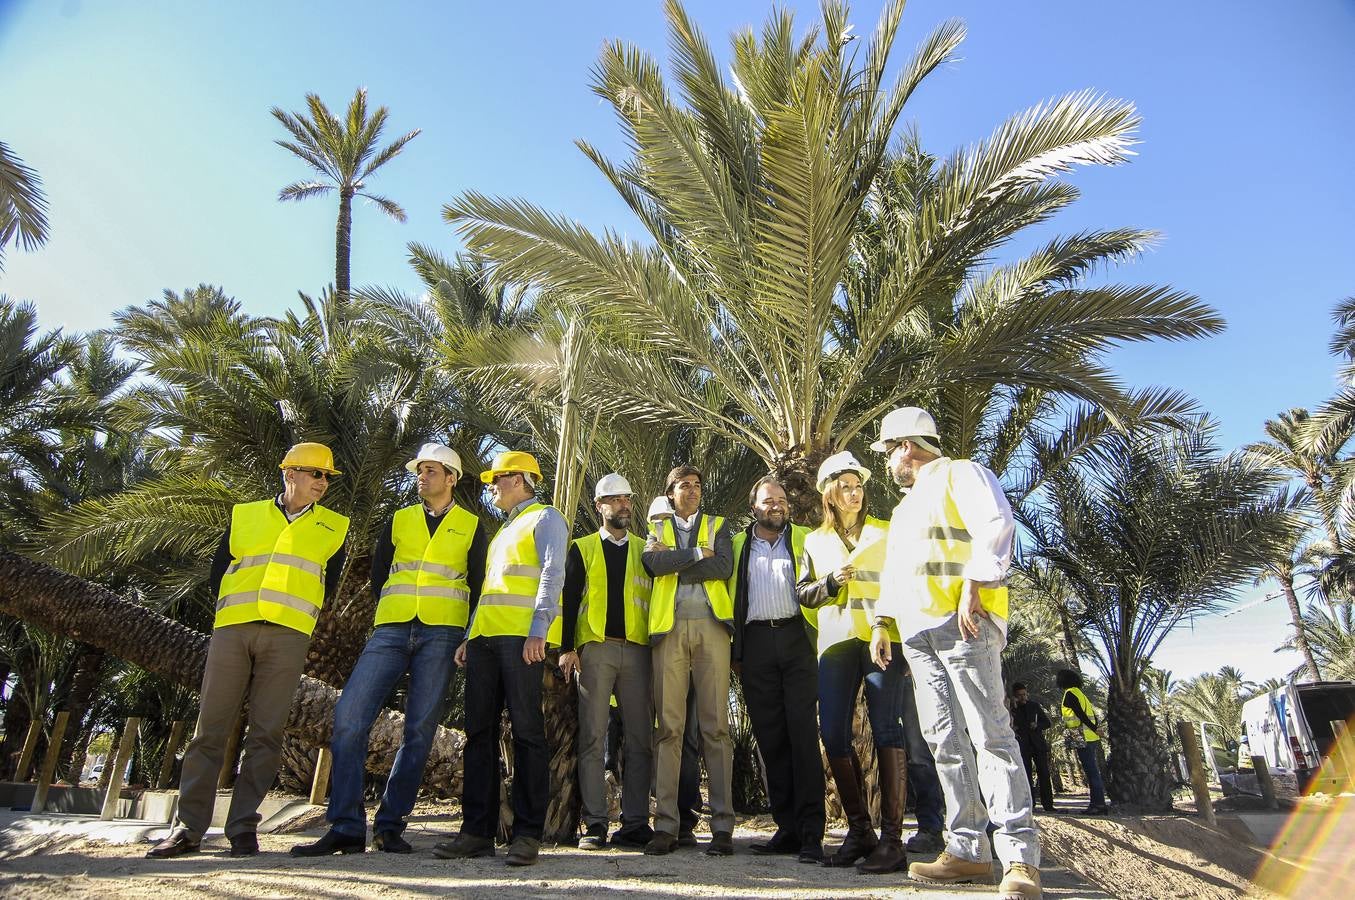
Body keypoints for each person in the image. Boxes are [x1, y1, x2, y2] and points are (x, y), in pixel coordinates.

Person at [868, 408, 1042, 899]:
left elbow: (996, 525)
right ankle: (967, 850)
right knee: (944, 739)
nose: (888, 464)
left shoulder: (961, 473)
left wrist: (975, 584)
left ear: (905, 445)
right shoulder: (904, 510)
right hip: (917, 631)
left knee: (990, 734)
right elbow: (897, 570)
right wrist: (883, 621)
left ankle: (1019, 859)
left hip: (963, 621)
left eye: (888, 453)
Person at [147, 442, 349, 859]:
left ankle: (242, 828)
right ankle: (188, 829)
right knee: (210, 731)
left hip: (289, 635)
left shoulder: (336, 526)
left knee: (266, 733)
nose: (322, 482)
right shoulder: (245, 514)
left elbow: (328, 583)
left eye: (327, 477)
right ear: (289, 473)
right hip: (233, 631)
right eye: (315, 473)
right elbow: (218, 572)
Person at [291, 443, 486, 857]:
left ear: (451, 479)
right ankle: (345, 825)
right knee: (349, 717)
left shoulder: (472, 526)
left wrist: (468, 634)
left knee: (419, 731)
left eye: (431, 471)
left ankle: (390, 827)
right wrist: (391, 612)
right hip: (391, 630)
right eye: (421, 471)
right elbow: (381, 574)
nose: (422, 477)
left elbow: (480, 583)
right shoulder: (398, 520)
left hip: (443, 633)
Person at [797, 451, 944, 873]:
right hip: (837, 642)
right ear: (829, 494)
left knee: (885, 728)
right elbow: (803, 593)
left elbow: (903, 579)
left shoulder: (886, 530)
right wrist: (830, 582)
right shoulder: (814, 541)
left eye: (858, 486)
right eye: (846, 487)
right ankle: (861, 830)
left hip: (883, 638)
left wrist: (889, 623)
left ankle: (893, 842)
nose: (855, 493)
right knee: (833, 735)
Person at [433, 451, 565, 867]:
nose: (492, 487)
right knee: (478, 735)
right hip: (487, 641)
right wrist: (470, 636)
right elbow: (491, 587)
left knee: (528, 734)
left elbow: (551, 573)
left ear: (520, 480)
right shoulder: (505, 530)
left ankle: (527, 835)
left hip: (520, 640)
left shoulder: (545, 519)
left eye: (498, 479)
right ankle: (476, 832)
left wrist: (538, 631)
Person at [729, 477, 825, 863]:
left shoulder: (806, 538)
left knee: (803, 738)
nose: (778, 505)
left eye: (782, 500)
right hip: (755, 646)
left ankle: (811, 834)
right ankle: (786, 828)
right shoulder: (736, 545)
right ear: (754, 506)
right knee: (771, 741)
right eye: (770, 500)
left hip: (797, 641)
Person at [641, 465, 736, 856]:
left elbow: (724, 566)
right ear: (670, 492)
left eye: (698, 485)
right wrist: (697, 554)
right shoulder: (656, 530)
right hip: (670, 631)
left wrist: (678, 563)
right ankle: (665, 826)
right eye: (684, 486)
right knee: (669, 730)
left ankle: (723, 828)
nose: (693, 491)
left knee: (716, 729)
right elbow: (653, 564)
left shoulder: (719, 524)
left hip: (712, 629)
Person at [559, 474, 655, 851]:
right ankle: (595, 825)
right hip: (595, 651)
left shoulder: (646, 550)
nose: (623, 505)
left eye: (627, 499)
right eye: (614, 500)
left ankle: (634, 823)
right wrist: (567, 647)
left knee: (640, 739)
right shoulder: (581, 549)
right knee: (592, 738)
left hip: (637, 651)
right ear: (599, 506)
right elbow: (568, 599)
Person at [1055, 669, 1108, 815]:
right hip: (1090, 736)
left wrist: (1094, 729)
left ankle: (1098, 804)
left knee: (1091, 771)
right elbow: (1090, 714)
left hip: (1081, 735)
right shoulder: (1080, 693)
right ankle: (1097, 803)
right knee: (1092, 770)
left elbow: (1080, 714)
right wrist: (1095, 729)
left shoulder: (1070, 694)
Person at [1010, 683, 1056, 814]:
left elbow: (1047, 723)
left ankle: (1048, 804)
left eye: (1024, 694)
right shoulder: (1011, 709)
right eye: (1019, 695)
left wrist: (1037, 725)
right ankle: (1030, 803)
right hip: (1023, 746)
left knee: (1044, 774)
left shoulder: (1034, 706)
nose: (1023, 697)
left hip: (1038, 745)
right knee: (1026, 775)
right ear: (1015, 696)